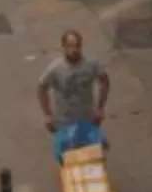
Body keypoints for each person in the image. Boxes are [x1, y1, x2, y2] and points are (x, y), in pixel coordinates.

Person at [38, 29, 110, 159]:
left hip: (87, 118)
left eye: (77, 45)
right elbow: (42, 88)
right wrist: (47, 114)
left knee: (93, 156)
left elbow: (104, 81)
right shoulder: (55, 69)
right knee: (67, 159)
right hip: (64, 121)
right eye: (71, 46)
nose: (75, 49)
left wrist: (100, 108)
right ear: (64, 47)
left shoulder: (91, 64)